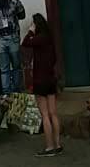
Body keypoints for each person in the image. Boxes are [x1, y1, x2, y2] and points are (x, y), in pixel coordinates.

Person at [22, 14, 61, 156]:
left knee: (44, 115)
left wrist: (31, 31)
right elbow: (55, 58)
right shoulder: (49, 39)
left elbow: (25, 42)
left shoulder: (38, 39)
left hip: (40, 80)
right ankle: (57, 144)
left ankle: (49, 147)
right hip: (50, 79)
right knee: (53, 113)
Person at [0, 0, 26, 95]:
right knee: (6, 68)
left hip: (11, 38)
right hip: (2, 40)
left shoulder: (14, 2)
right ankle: (8, 91)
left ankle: (14, 90)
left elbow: (22, 15)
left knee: (14, 66)